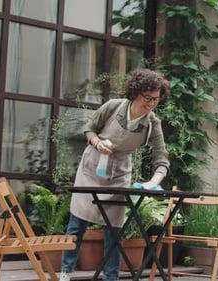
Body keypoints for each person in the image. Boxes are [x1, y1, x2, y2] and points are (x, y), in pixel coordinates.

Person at [59, 69, 170, 281]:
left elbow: (162, 160)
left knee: (115, 230)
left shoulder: (152, 123)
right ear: (135, 93)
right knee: (77, 223)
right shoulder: (113, 107)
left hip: (119, 173)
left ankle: (111, 277)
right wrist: (97, 142)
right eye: (148, 98)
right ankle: (65, 272)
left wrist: (153, 183)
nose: (152, 103)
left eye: (156, 99)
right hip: (92, 167)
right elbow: (89, 129)